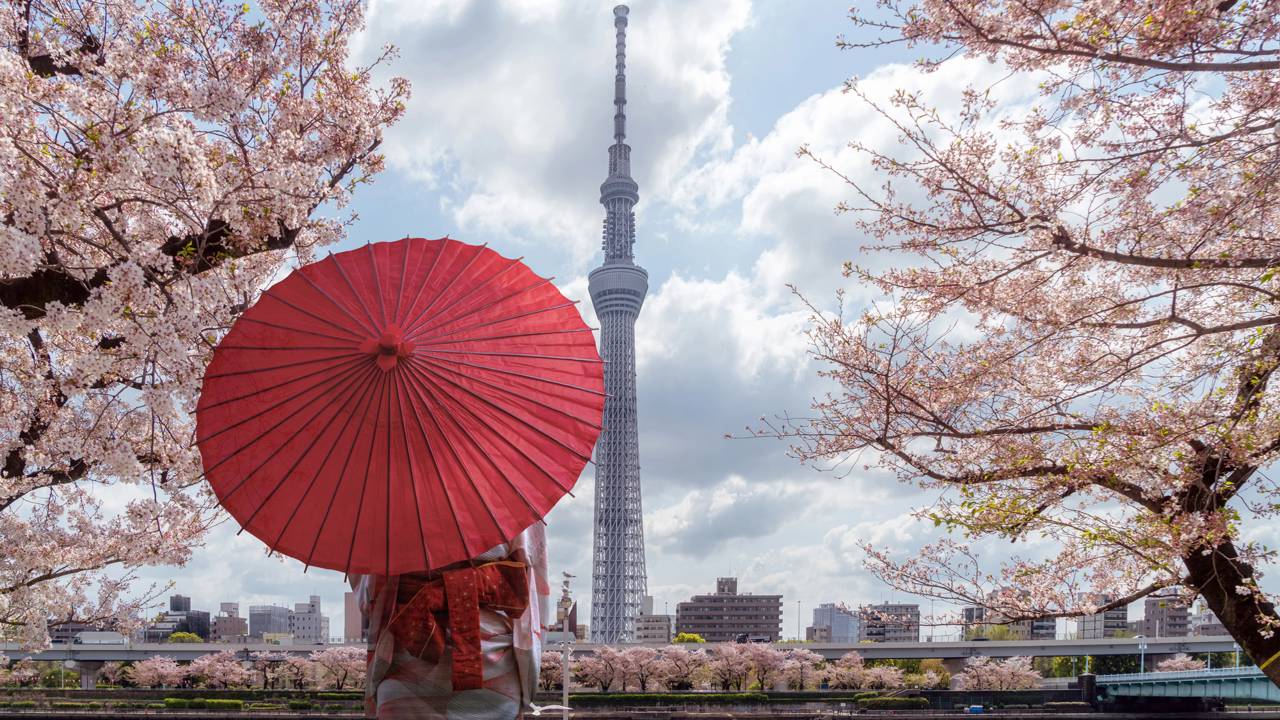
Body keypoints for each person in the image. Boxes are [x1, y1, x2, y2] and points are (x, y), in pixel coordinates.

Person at [353, 522, 550, 719]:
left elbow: (369, 597)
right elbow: (533, 585)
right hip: (494, 662)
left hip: (408, 652)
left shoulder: (384, 502)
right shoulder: (510, 496)